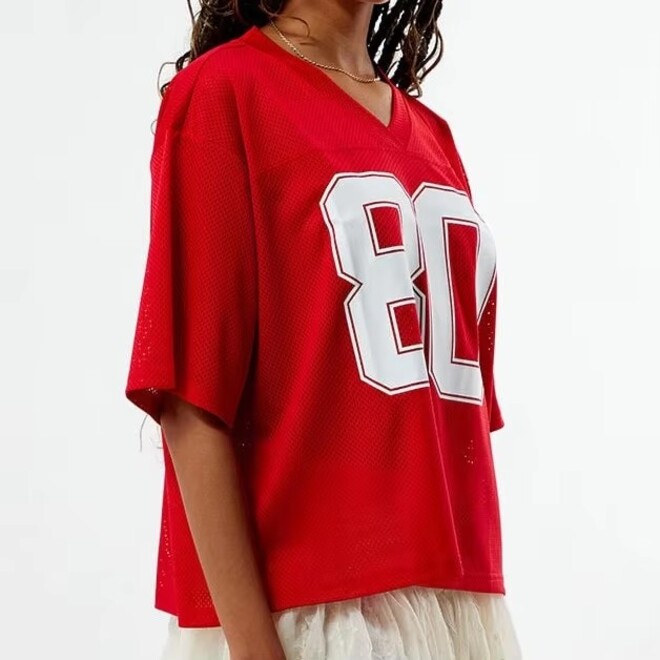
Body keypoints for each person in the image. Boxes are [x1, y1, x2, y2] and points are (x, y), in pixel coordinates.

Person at [125, 1, 523, 658]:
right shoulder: (226, 94)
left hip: (461, 608)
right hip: (310, 617)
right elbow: (191, 400)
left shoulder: (434, 138)